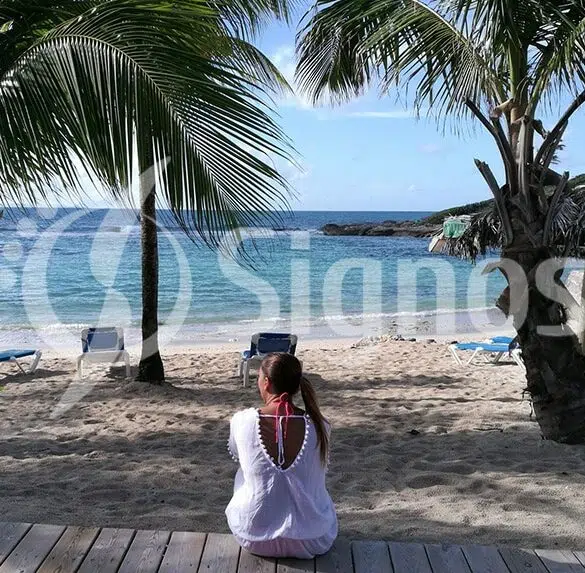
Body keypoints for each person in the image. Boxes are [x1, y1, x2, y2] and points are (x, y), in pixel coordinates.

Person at [225, 352, 337, 559]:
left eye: (259, 377)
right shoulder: (321, 425)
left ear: (266, 382)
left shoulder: (242, 421)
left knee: (244, 472)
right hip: (314, 540)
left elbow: (240, 456)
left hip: (254, 537)